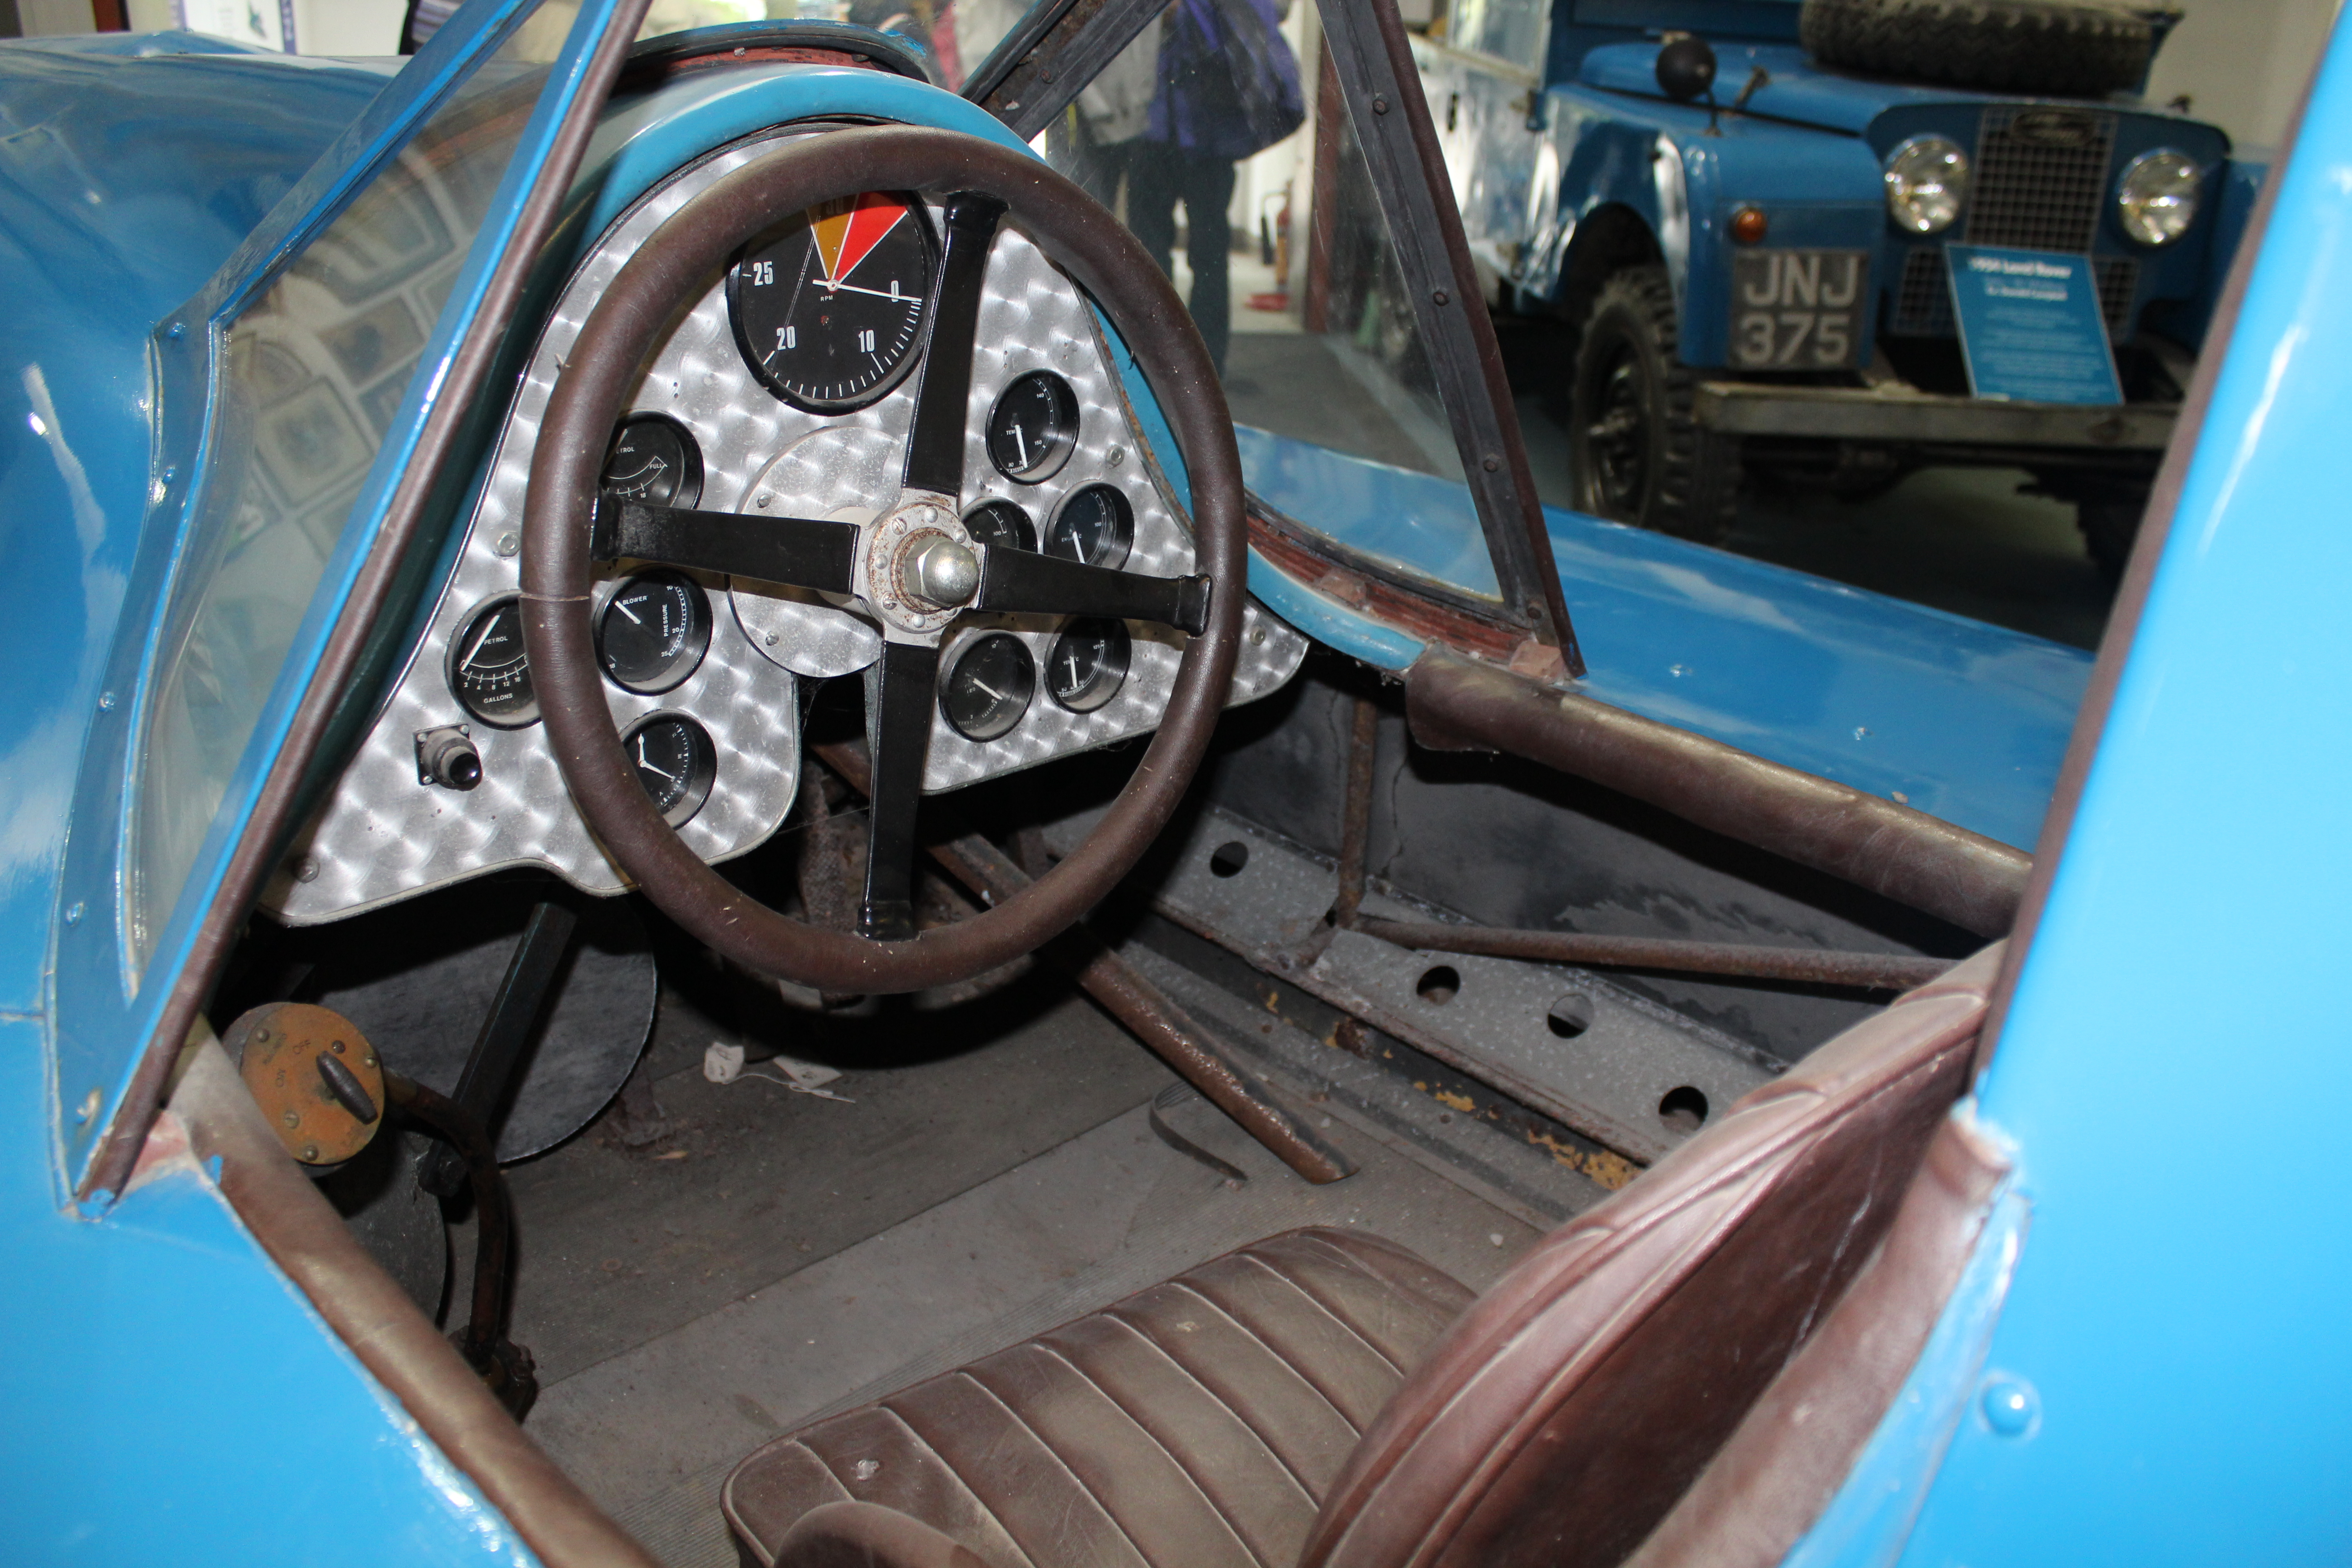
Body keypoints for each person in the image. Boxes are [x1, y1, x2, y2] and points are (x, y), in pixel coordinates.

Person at [1125, 0, 1302, 376]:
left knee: (1204, 257)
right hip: (1159, 126)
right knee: (1154, 255)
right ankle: (1159, 362)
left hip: (1200, 132)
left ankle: (1203, 370)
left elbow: (1275, 10)